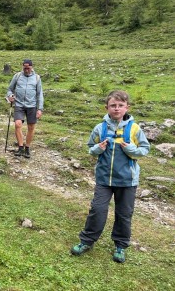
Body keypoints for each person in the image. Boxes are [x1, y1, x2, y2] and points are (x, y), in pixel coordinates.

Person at [70, 90, 150, 263]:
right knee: (97, 210)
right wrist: (98, 148)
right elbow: (90, 148)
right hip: (104, 179)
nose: (116, 109)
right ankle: (87, 241)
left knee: (124, 214)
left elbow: (145, 149)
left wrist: (131, 150)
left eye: (120, 105)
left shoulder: (135, 129)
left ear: (127, 107)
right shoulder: (100, 128)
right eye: (113, 105)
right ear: (106, 107)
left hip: (127, 181)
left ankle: (120, 246)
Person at [6, 59, 43, 158]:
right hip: (19, 104)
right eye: (24, 68)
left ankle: (27, 148)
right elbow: (10, 89)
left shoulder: (37, 78)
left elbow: (40, 94)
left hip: (32, 106)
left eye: (28, 68)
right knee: (18, 124)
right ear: (22, 67)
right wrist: (10, 96)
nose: (26, 70)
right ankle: (20, 147)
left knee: (31, 127)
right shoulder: (17, 76)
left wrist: (40, 109)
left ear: (31, 67)